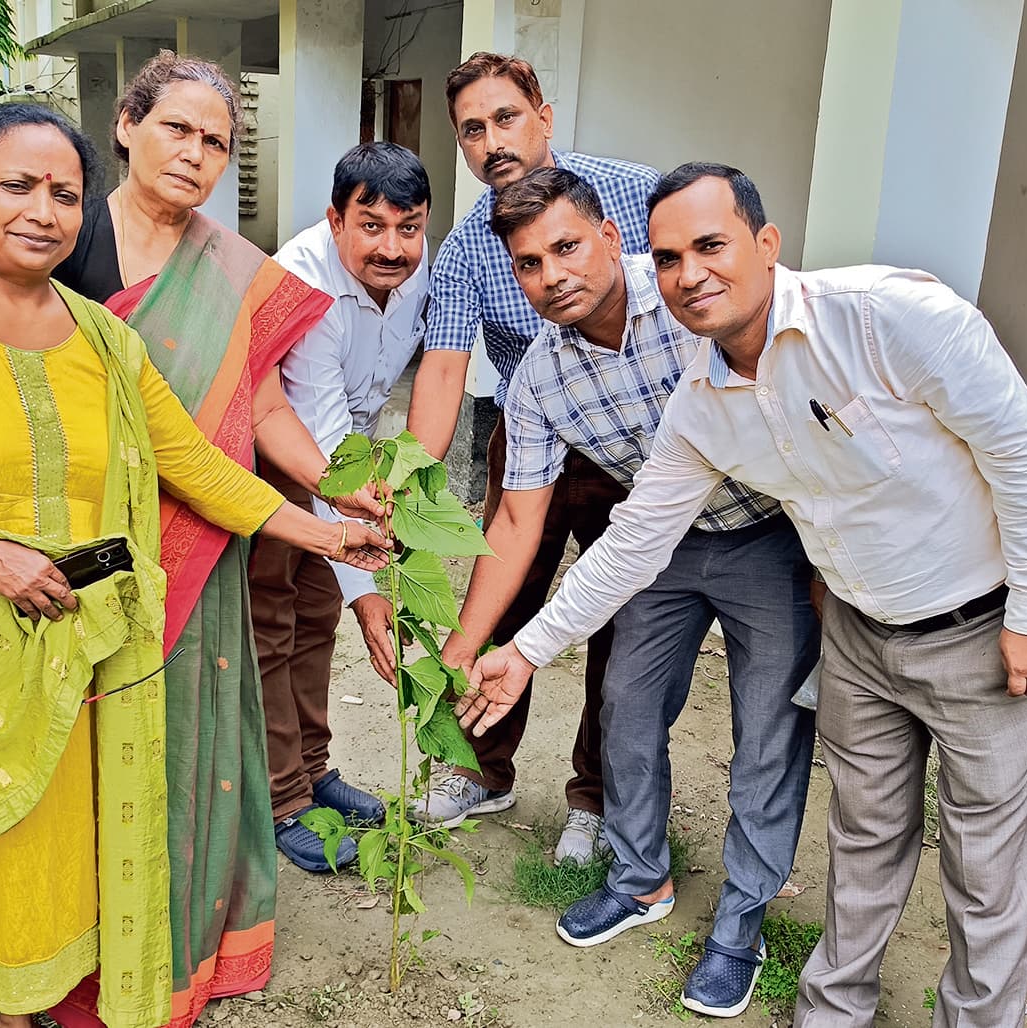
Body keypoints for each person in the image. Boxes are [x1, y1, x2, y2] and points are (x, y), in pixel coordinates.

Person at [0, 103, 385, 1028]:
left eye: (64, 194)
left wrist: (328, 535)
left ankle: (12, 1003)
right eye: (16, 186)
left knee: (34, 837)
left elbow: (192, 464)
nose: (43, 211)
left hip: (54, 633)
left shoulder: (101, 337)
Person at [460, 162, 1027, 1026]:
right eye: (669, 258)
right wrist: (524, 651)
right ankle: (830, 1009)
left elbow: (1025, 456)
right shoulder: (700, 404)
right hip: (857, 633)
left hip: (978, 629)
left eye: (710, 246)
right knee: (861, 844)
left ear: (765, 243)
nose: (689, 274)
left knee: (986, 871)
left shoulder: (886, 317)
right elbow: (633, 540)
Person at [50, 52, 391, 1025]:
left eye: (216, 141)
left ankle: (178, 941)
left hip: (198, 538)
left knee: (184, 740)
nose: (195, 153)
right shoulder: (62, 239)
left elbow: (266, 407)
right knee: (78, 739)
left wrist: (335, 487)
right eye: (177, 129)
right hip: (72, 536)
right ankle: (68, 947)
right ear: (127, 125)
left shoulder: (232, 271)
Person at [458, 167, 818, 1013]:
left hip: (769, 539)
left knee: (766, 730)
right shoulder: (538, 378)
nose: (552, 276)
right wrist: (465, 644)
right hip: (654, 550)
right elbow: (517, 518)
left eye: (566, 248)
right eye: (528, 264)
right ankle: (638, 877)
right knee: (624, 703)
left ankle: (741, 922)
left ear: (610, 238)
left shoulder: (692, 305)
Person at [406, 51, 661, 863]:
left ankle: (595, 798)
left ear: (543, 116)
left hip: (640, 448)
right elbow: (442, 370)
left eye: (505, 118)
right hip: (532, 434)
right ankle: (477, 770)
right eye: (471, 131)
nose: (491, 142)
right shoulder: (463, 250)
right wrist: (408, 483)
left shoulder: (631, 194)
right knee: (501, 597)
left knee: (619, 617)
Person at [259, 141, 432, 871]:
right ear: (335, 220)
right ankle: (280, 800)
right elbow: (318, 429)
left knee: (315, 619)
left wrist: (352, 579)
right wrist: (368, 586)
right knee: (271, 623)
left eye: (409, 227)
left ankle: (314, 771)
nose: (392, 248)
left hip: (343, 461)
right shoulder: (304, 280)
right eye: (371, 226)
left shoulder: (418, 272)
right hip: (273, 460)